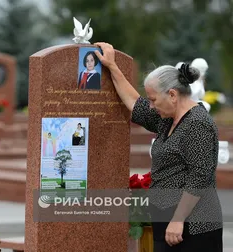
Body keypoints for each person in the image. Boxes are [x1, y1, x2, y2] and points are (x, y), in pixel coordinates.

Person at [94, 42, 223, 251]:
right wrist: (112, 67)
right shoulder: (167, 119)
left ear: (172, 95)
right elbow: (135, 103)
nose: (151, 106)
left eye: (153, 99)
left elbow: (199, 177)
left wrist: (178, 220)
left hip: (193, 227)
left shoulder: (198, 123)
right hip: (167, 220)